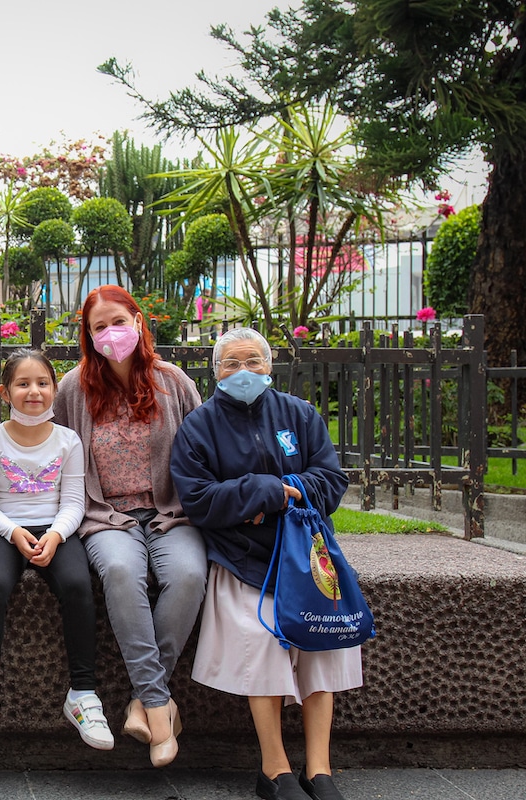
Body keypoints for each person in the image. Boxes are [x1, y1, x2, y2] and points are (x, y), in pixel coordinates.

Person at [170, 327, 358, 800]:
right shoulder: (199, 426)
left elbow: (331, 481)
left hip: (306, 556)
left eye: (253, 361)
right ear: (215, 372)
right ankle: (274, 770)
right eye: (231, 363)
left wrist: (280, 493)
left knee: (319, 646)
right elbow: (197, 498)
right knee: (265, 641)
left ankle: (320, 770)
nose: (243, 371)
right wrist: (266, 490)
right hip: (243, 560)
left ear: (269, 366)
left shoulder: (300, 414)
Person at [52, 284, 206, 769]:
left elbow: (202, 448)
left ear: (138, 322)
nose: (111, 333)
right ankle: (161, 710)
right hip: (105, 516)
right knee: (121, 574)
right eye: (100, 327)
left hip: (170, 512)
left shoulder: (173, 381)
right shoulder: (73, 388)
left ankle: (146, 699)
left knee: (187, 577)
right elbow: (55, 451)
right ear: (88, 335)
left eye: (119, 321)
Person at [0, 349, 111, 752]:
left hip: (57, 531)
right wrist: (13, 533)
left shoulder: (68, 440)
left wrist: (56, 536)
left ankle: (83, 693)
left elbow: (75, 502)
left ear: (55, 390)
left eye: (42, 383)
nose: (34, 392)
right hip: (4, 530)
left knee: (78, 585)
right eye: (23, 384)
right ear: (5, 392)